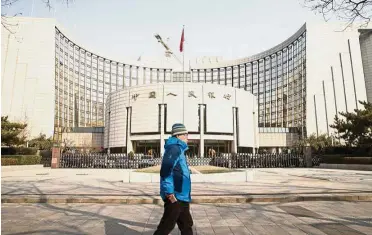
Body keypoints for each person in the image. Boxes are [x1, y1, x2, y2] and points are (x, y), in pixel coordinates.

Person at [154, 123, 193, 235]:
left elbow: (177, 169)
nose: (187, 137)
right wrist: (170, 194)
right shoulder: (174, 148)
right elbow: (165, 171)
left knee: (186, 225)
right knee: (166, 226)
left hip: (182, 196)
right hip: (175, 196)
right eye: (185, 134)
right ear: (178, 135)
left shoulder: (179, 149)